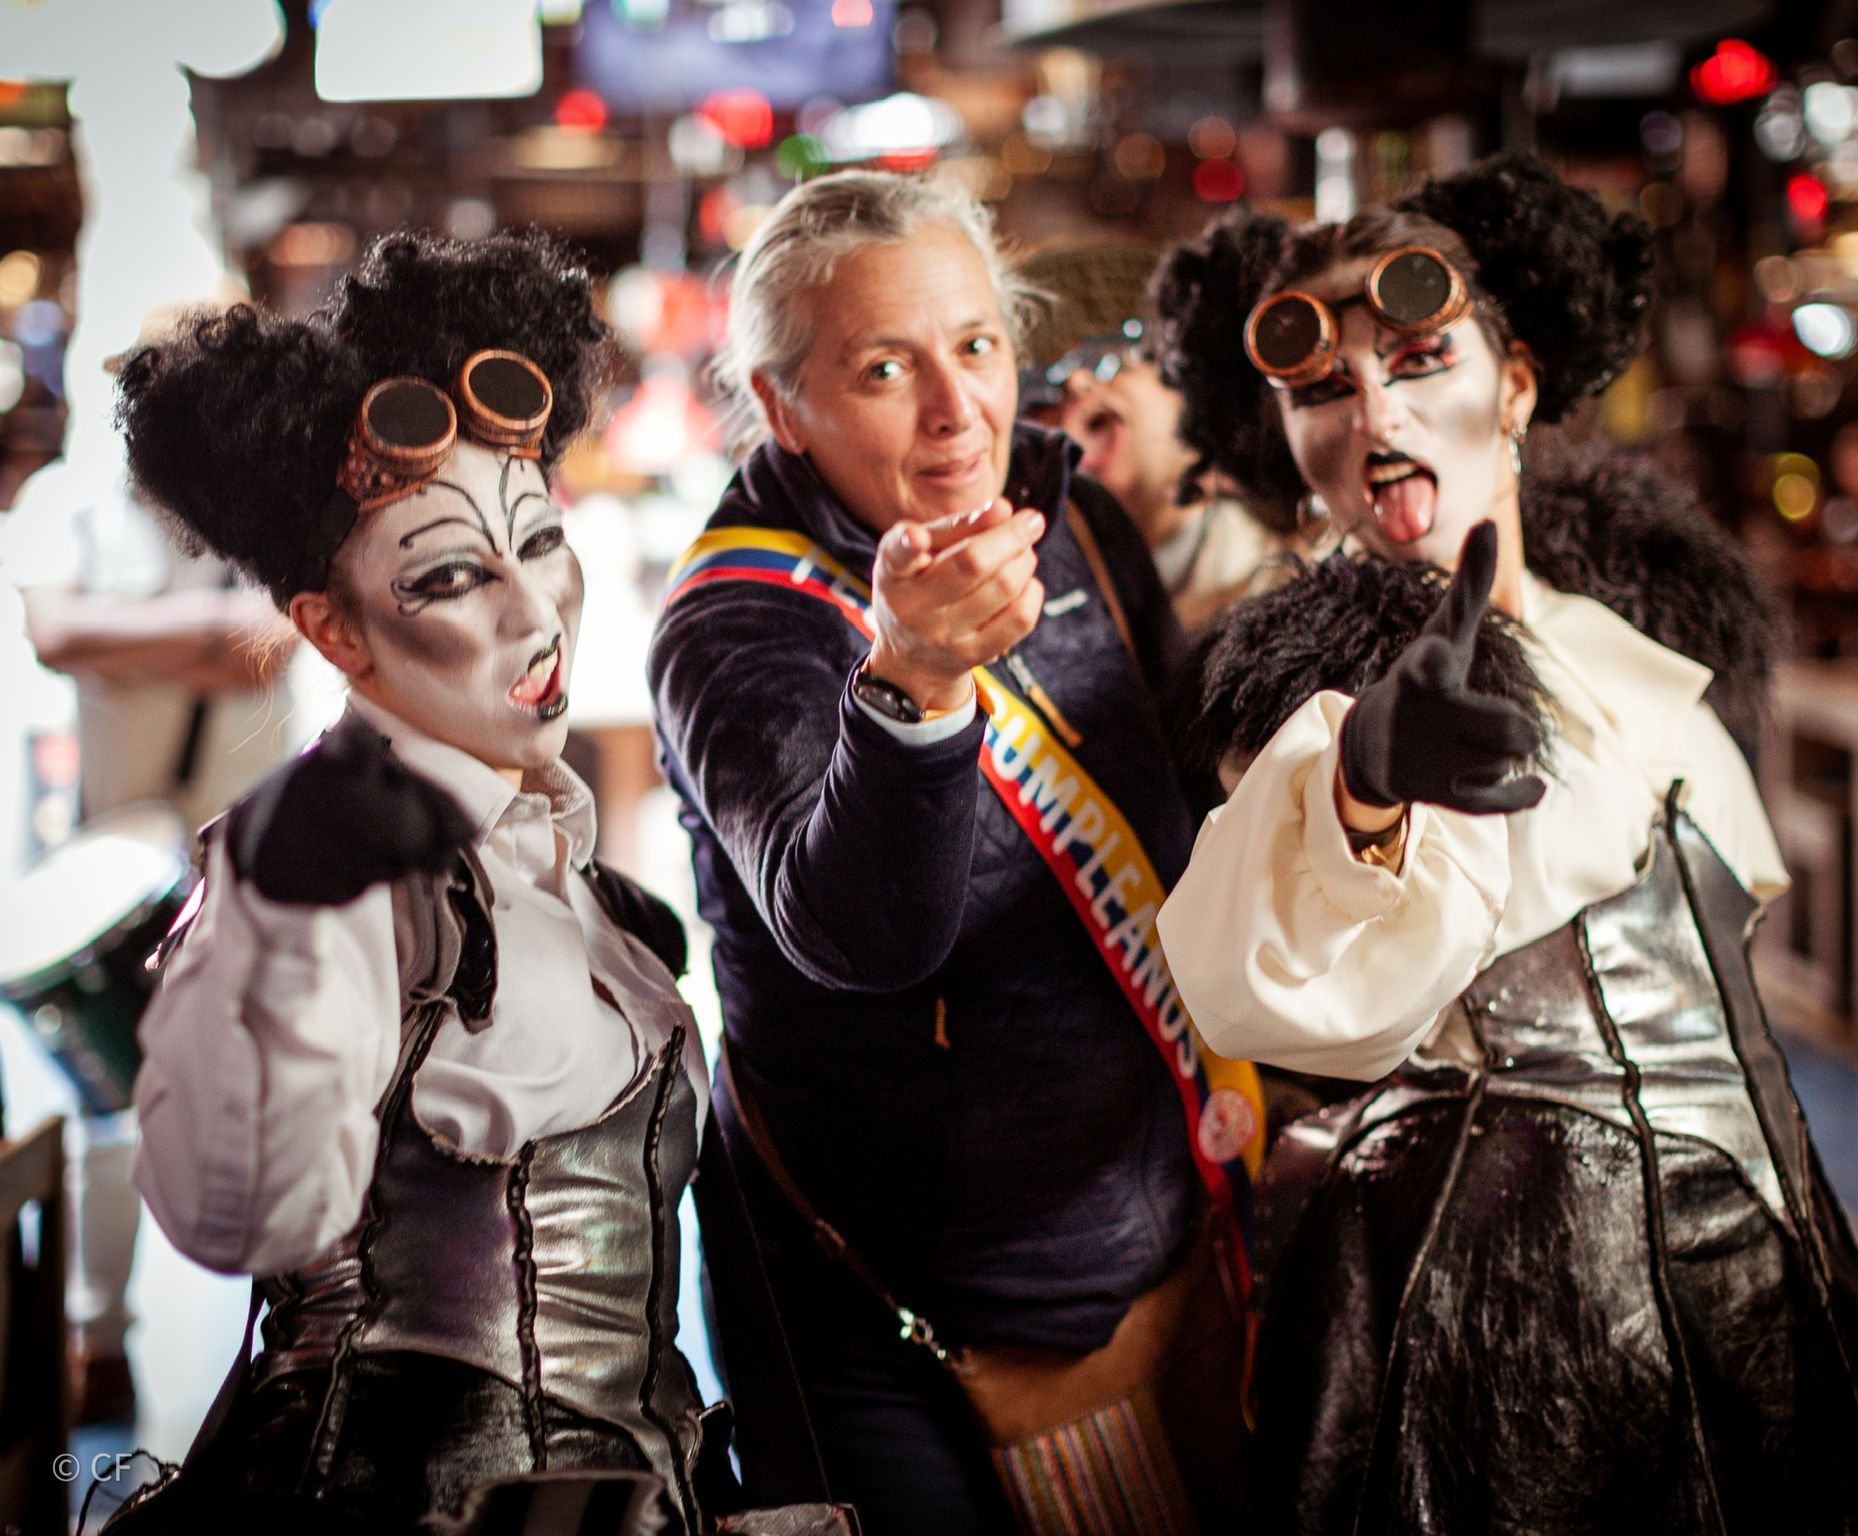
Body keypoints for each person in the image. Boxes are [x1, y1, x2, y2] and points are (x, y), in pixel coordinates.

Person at [1152, 153, 1858, 1533]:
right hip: (1508, 1336)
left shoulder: (1626, 645)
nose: (1376, 414)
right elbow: (1272, 977)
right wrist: (1368, 783)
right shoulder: (1318, 716)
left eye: (1420, 359)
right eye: (1324, 388)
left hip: (1775, 1279)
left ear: (1512, 387)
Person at [104, 231, 842, 1536]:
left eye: (540, 543)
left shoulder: (589, 892)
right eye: (450, 575)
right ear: (333, 627)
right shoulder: (315, 885)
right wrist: (288, 906)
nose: (532, 614)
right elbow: (245, 1211)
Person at [648, 171, 1260, 1536]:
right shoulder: (737, 628)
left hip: (1155, 1234)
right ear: (781, 404)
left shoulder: (1073, 515)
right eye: (883, 368)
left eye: (977, 346)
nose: (955, 410)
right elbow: (857, 933)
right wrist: (914, 679)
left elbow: (1183, 806)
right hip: (894, 1307)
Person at [0, 308, 301, 1427]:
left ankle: (280, 1344)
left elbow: (270, 637)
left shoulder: (265, 496)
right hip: (111, 853)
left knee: (275, 1092)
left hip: (255, 852)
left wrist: (149, 641)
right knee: (112, 1108)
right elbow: (54, 630)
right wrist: (207, 640)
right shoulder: (65, 506)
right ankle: (100, 1339)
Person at [1015, 241, 1291, 629]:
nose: (1076, 383)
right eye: (1039, 389)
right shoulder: (1021, 621)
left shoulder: (1291, 599)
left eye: (1112, 358)